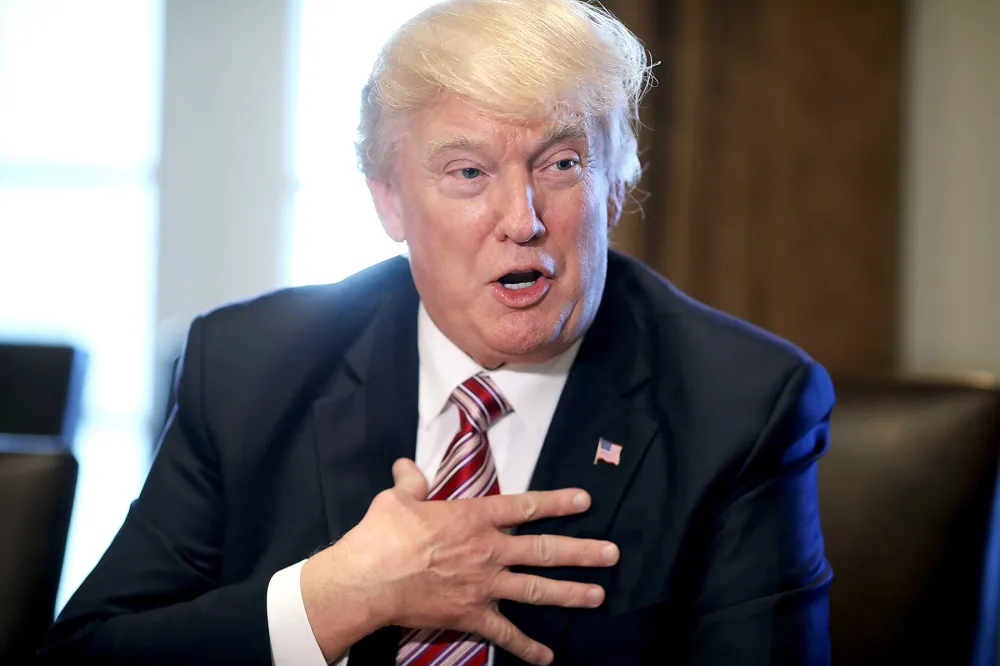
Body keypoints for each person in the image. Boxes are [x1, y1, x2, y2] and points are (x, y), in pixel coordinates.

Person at [39, 0, 834, 664]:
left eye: (561, 164)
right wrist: (334, 597)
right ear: (388, 200)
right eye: (468, 173)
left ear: (616, 185)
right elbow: (88, 652)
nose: (521, 221)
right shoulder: (251, 365)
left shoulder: (744, 405)